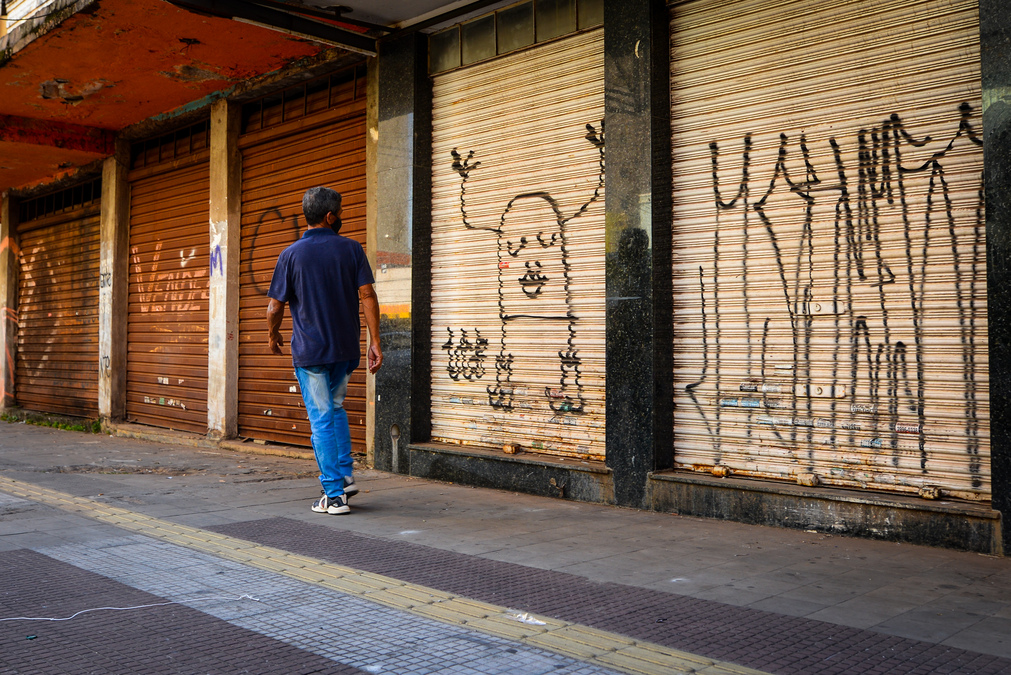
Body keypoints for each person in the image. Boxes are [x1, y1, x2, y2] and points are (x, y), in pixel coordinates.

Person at [266, 186, 382, 515]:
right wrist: (375, 341)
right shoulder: (351, 249)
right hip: (345, 351)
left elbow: (274, 307)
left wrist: (272, 335)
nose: (341, 217)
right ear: (330, 217)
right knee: (335, 408)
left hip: (312, 354)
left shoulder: (291, 254)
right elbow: (368, 296)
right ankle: (344, 477)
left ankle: (333, 495)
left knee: (321, 420)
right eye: (340, 212)